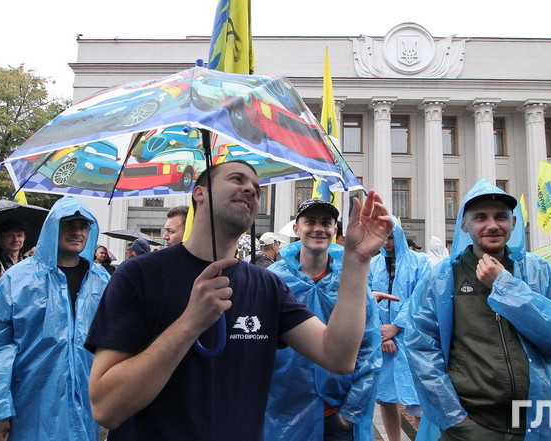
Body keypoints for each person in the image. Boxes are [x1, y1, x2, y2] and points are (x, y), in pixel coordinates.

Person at [85, 161, 393, 441]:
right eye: (237, 179)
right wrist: (189, 323)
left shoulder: (268, 285)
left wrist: (357, 260)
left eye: (256, 188)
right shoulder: (138, 275)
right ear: (199, 193)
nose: (250, 189)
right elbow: (106, 408)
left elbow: (338, 357)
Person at [405, 178, 551, 441]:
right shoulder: (443, 278)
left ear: (513, 222)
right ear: (464, 224)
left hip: (537, 423)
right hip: (471, 426)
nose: (492, 225)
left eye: (501, 216)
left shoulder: (538, 271)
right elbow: (421, 348)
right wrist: (456, 420)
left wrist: (507, 288)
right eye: (480, 217)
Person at [0, 196, 110, 441]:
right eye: (69, 224)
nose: (77, 231)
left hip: (88, 403)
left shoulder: (102, 280)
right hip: (31, 405)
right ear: (53, 227)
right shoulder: (17, 279)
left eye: (83, 225)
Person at [265, 198, 381, 441]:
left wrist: (349, 415)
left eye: (326, 222)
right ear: (296, 229)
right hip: (283, 416)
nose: (319, 228)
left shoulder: (352, 280)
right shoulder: (273, 280)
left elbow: (370, 351)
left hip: (337, 416)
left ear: (334, 230)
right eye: (310, 221)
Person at [368, 219, 430, 441]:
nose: (386, 243)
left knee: (419, 400)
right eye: (383, 238)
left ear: (400, 236)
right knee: (386, 397)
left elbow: (421, 297)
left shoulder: (420, 262)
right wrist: (382, 333)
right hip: (383, 339)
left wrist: (397, 326)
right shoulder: (373, 264)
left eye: (391, 237)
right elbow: (367, 298)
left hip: (413, 339)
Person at [0, 219, 27, 304]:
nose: (16, 239)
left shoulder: (30, 262)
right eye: (10, 236)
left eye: (19, 235)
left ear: (24, 237)